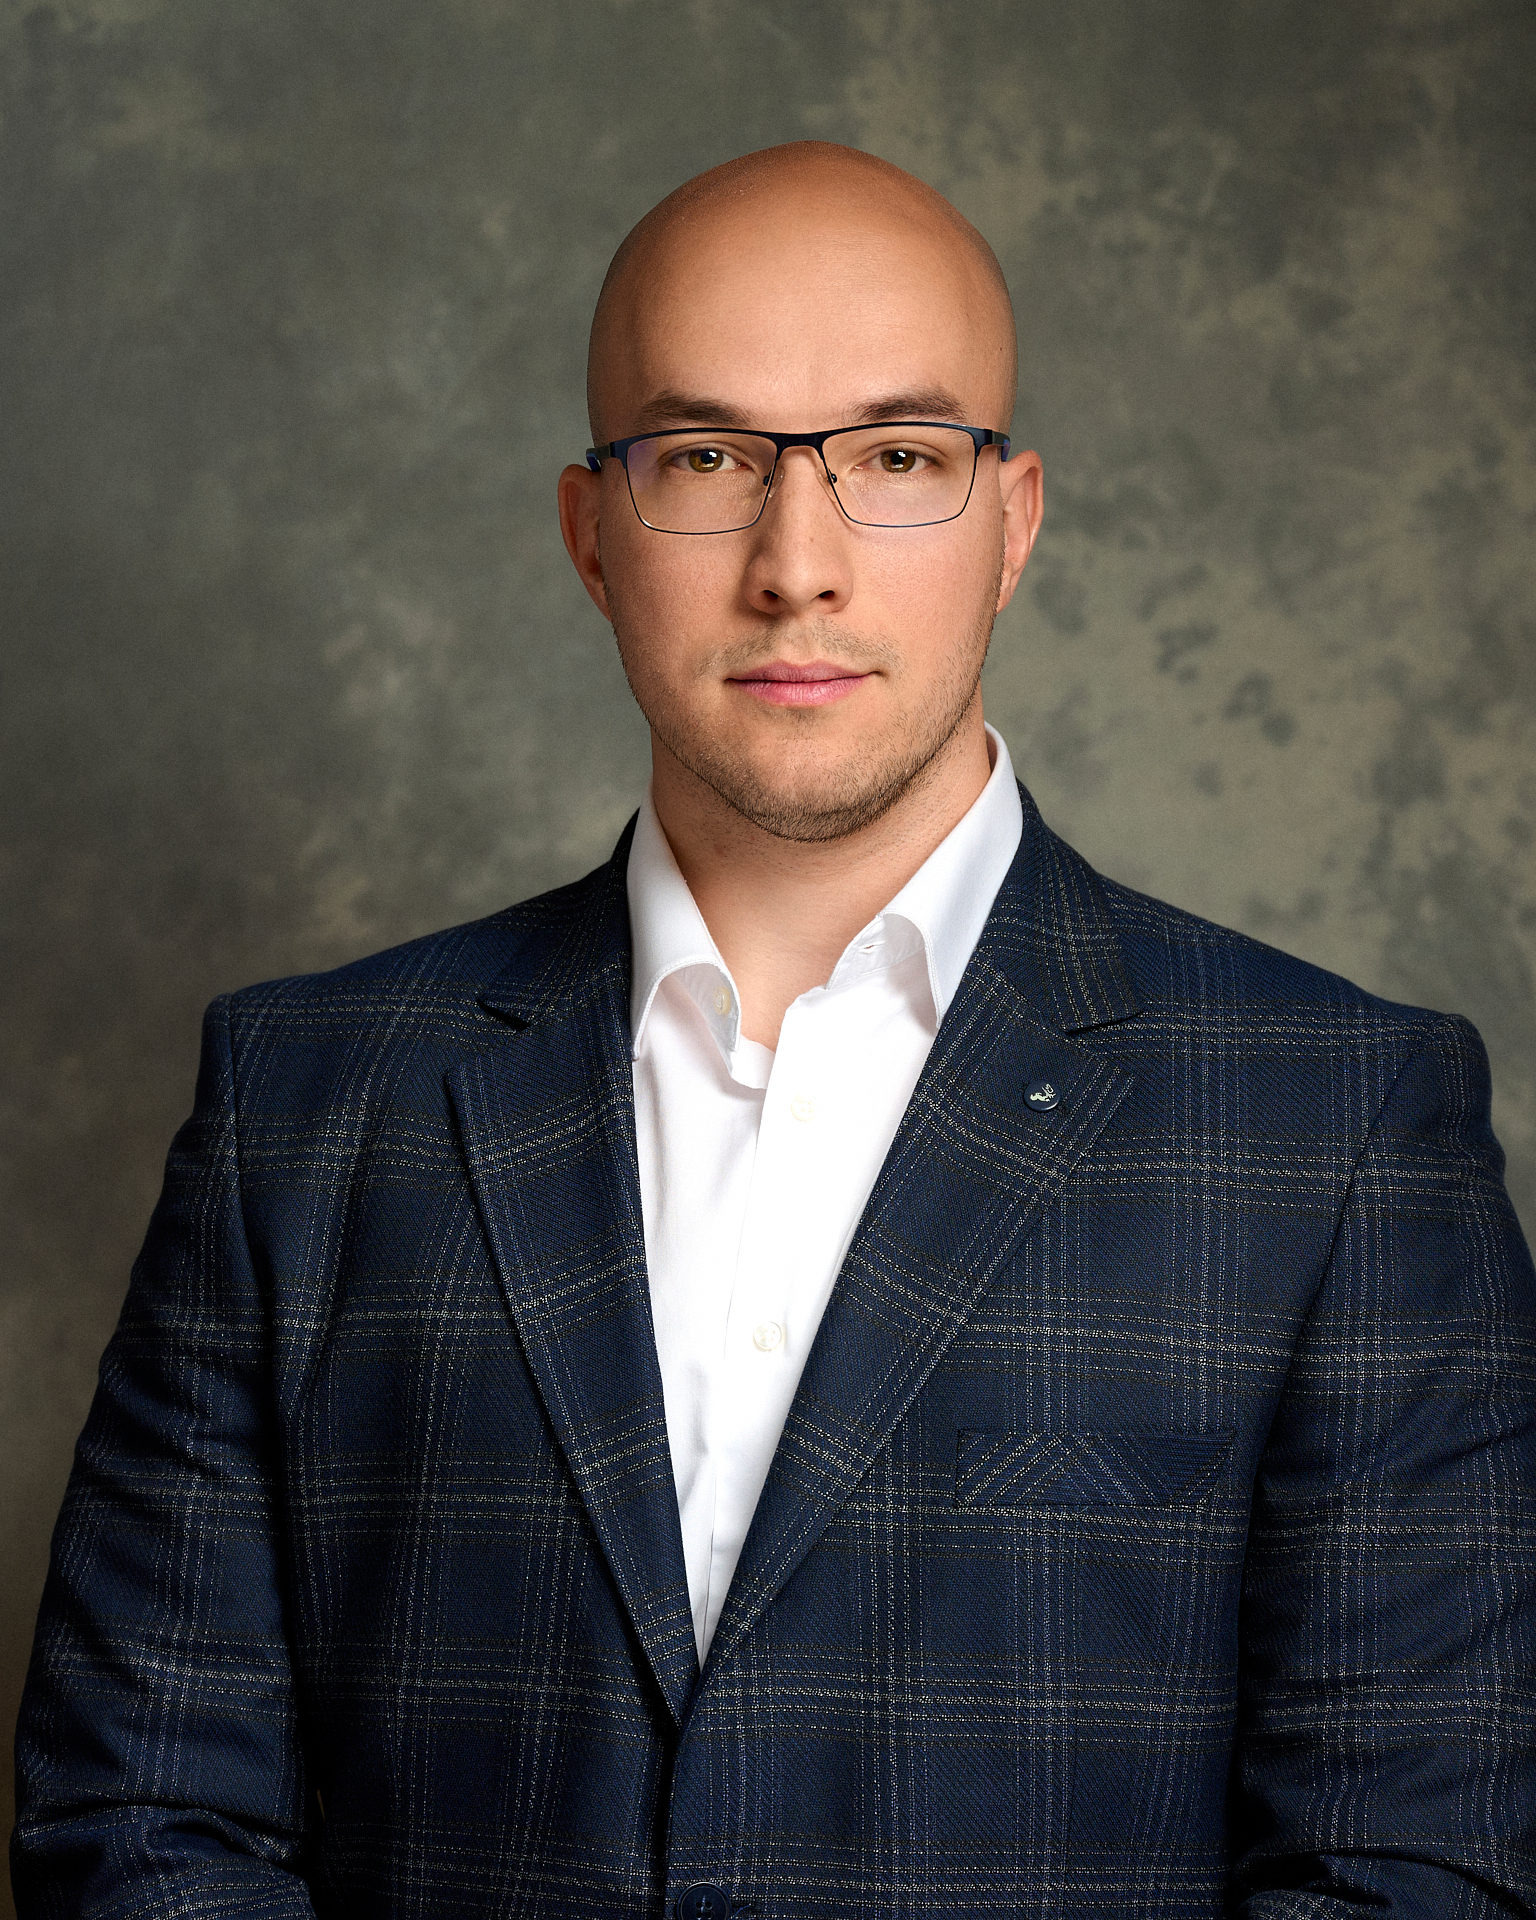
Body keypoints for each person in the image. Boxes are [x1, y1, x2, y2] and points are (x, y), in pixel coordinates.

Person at [12, 141, 1536, 1919]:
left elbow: (1410, 1868)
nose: (795, 565)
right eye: (707, 459)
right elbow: (140, 1824)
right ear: (591, 534)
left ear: (1013, 524)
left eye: (898, 457)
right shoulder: (304, 1105)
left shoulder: (1338, 1124)